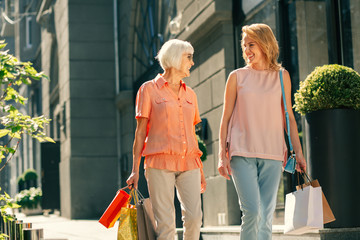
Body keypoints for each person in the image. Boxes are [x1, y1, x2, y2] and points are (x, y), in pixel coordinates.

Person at [218, 23, 306, 240]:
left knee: (266, 216)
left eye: (251, 44)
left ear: (265, 44)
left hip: (273, 153)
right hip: (241, 152)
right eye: (244, 45)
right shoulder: (236, 77)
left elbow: (289, 119)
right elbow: (225, 118)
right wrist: (222, 154)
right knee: (252, 211)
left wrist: (300, 153)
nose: (246, 50)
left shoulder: (281, 76)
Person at [126, 39, 206, 240]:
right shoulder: (148, 89)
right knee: (166, 224)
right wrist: (135, 169)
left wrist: (200, 170)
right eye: (189, 57)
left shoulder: (191, 94)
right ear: (175, 58)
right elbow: (140, 132)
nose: (192, 62)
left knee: (195, 218)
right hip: (159, 164)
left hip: (189, 164)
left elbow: (192, 133)